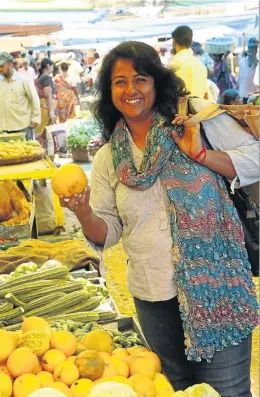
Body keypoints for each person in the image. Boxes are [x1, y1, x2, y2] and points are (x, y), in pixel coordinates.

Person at [60, 41, 258, 397]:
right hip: (153, 298)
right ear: (109, 92)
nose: (131, 90)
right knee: (175, 388)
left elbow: (255, 159)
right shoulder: (108, 158)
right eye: (120, 82)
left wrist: (200, 154)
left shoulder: (193, 121)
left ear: (156, 82)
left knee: (227, 390)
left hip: (217, 288)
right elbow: (109, 232)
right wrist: (84, 212)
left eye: (140, 79)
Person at [0, 51, 40, 140]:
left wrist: (36, 118)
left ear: (10, 64)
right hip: (4, 127)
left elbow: (34, 99)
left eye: (2, 66)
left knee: (26, 153)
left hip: (22, 126)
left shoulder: (24, 80)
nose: (0, 69)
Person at [171, 26, 208, 98]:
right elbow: (205, 94)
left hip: (183, 108)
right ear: (190, 43)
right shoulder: (200, 64)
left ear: (174, 42)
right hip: (200, 107)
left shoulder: (176, 61)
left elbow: (174, 91)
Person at [34, 58, 56, 149]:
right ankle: (49, 156)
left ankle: (43, 154)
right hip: (46, 109)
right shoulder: (46, 77)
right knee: (48, 135)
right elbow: (48, 95)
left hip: (41, 108)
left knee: (42, 134)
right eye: (52, 66)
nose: (53, 69)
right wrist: (51, 111)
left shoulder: (39, 77)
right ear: (48, 66)